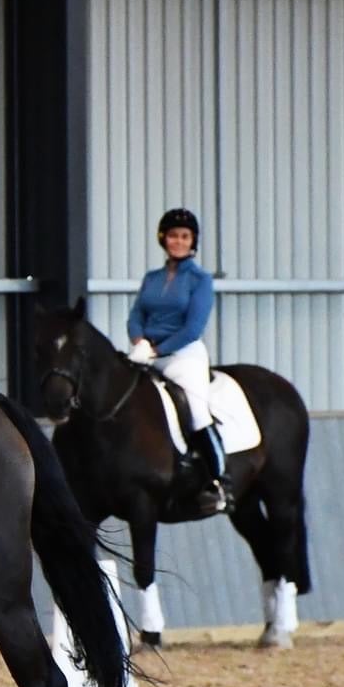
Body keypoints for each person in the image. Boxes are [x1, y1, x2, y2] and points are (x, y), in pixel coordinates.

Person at [127, 207, 230, 515]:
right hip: (147, 352)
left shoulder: (200, 280)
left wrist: (158, 351)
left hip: (183, 356)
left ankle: (217, 481)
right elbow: (137, 315)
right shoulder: (153, 278)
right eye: (173, 235)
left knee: (197, 412)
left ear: (192, 241)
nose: (178, 241)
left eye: (185, 236)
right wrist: (138, 340)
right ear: (164, 238)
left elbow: (192, 328)